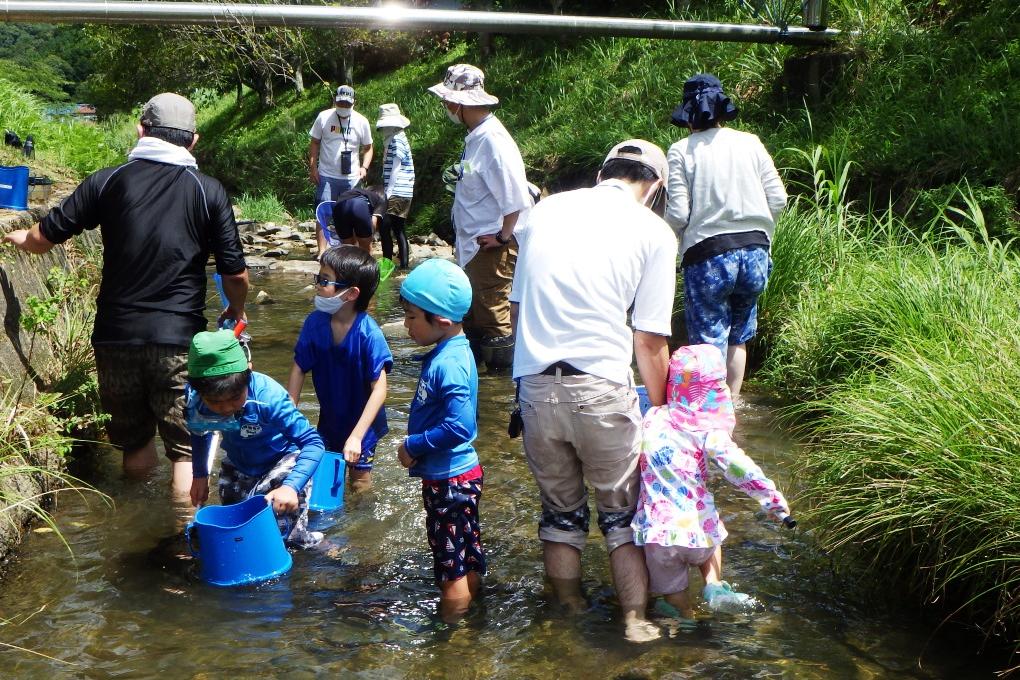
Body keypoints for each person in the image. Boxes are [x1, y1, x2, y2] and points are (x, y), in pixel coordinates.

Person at [3, 92, 248, 497]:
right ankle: (181, 544)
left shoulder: (108, 180)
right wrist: (234, 309)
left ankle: (135, 513)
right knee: (185, 454)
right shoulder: (208, 191)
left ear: (141, 130)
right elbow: (235, 273)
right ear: (194, 140)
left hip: (114, 336)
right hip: (177, 338)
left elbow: (43, 237)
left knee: (134, 445)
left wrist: (17, 237)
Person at [510, 139, 678, 642]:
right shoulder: (654, 230)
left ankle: (567, 607)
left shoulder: (544, 211)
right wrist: (665, 410)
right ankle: (634, 618)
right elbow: (648, 339)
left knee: (560, 513)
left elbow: (517, 310)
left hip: (536, 387)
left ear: (604, 171)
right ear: (654, 186)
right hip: (602, 386)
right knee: (622, 517)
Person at [632, 344, 792, 618]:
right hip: (700, 533)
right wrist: (774, 502)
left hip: (659, 537)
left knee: (674, 595)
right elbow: (742, 469)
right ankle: (714, 585)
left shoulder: (653, 416)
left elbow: (634, 397)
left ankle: (684, 617)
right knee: (712, 529)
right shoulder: (710, 431)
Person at [665, 73, 788, 398]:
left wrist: (669, 241)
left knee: (709, 341)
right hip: (755, 252)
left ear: (688, 115)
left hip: (709, 256)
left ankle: (709, 413)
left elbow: (678, 213)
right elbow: (778, 199)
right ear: (722, 108)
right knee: (738, 335)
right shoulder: (750, 141)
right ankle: (731, 408)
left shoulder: (680, 151)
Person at [428, 63, 532, 371]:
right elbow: (483, 181)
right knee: (473, 313)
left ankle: (502, 391)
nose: (445, 106)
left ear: (459, 104)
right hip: (475, 245)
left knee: (494, 315)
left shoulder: (493, 140)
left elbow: (516, 196)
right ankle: (477, 385)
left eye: (447, 101)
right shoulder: (477, 137)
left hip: (492, 246)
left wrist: (502, 237)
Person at [397, 258, 484, 621]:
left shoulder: (448, 364)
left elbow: (460, 427)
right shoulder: (452, 352)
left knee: (450, 567)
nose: (406, 325)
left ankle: (452, 634)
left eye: (413, 317)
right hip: (458, 477)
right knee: (465, 553)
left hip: (448, 481)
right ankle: (474, 612)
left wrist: (412, 446)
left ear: (442, 321)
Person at [186, 330, 325, 548]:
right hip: (239, 464)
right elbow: (199, 432)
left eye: (234, 398)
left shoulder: (268, 398)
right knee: (237, 529)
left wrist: (291, 486)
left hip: (282, 459)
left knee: (285, 536)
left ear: (248, 373)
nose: (225, 408)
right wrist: (200, 475)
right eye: (215, 402)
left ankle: (315, 545)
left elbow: (313, 443)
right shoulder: (196, 400)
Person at [287, 245, 392, 493]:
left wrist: (356, 436)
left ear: (351, 293)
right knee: (326, 480)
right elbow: (299, 368)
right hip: (330, 419)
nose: (317, 285)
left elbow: (380, 389)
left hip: (364, 425)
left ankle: (362, 528)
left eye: (325, 280)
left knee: (359, 481)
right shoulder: (315, 323)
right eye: (318, 277)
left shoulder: (369, 334)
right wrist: (289, 416)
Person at [309, 85, 374, 207]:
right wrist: (313, 168)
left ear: (354, 102)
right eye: (340, 103)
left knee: (350, 215)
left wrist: (364, 167)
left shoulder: (362, 121)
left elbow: (368, 147)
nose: (343, 106)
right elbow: (314, 142)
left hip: (352, 178)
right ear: (334, 101)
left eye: (347, 104)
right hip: (326, 176)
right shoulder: (323, 117)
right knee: (323, 213)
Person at [375, 103, 415, 269]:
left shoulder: (397, 140)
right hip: (402, 190)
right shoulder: (398, 138)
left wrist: (388, 193)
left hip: (398, 190)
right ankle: (402, 267)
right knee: (398, 229)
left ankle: (387, 266)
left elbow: (395, 168)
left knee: (385, 228)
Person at [321, 185, 386, 255]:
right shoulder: (381, 199)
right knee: (366, 249)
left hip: (339, 207)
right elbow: (373, 222)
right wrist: (369, 237)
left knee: (347, 248)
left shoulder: (360, 192)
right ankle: (366, 264)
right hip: (358, 205)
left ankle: (346, 265)